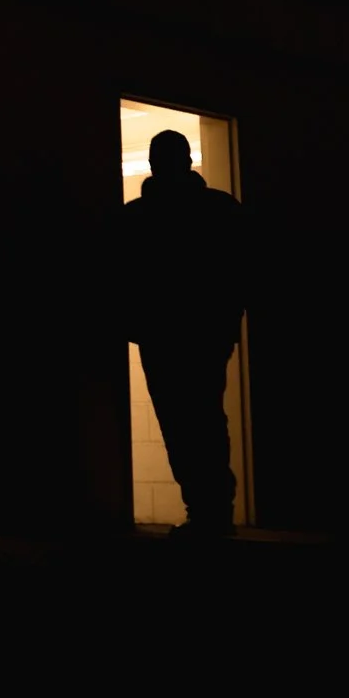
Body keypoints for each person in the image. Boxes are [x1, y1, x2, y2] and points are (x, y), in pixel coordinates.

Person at [117, 130, 250, 539]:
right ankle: (214, 511)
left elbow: (121, 278)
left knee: (182, 421)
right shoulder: (221, 211)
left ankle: (205, 509)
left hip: (164, 336)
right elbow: (243, 272)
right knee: (203, 419)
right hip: (201, 334)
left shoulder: (136, 217)